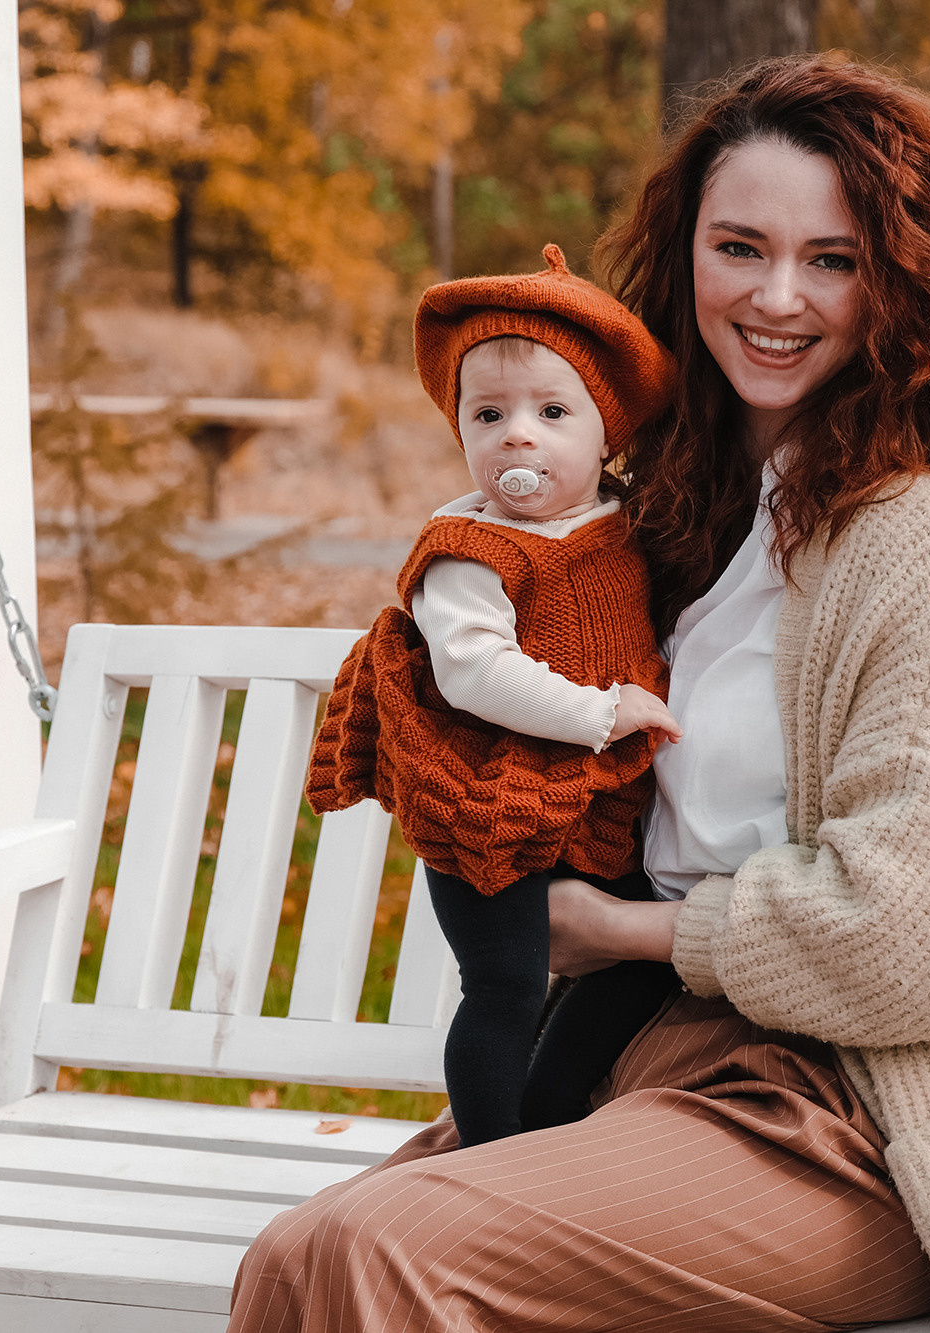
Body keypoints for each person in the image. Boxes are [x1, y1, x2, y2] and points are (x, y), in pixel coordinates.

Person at [235, 55, 930, 1333]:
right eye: (739, 246)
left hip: (853, 1116)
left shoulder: (910, 536)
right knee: (297, 1258)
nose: (777, 296)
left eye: (832, 258)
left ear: (903, 284)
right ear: (682, 260)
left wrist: (623, 934)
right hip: (633, 1056)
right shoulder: (673, 512)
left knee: (381, 1257)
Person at [308, 245, 686, 1148]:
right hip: (485, 805)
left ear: (607, 434)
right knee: (506, 983)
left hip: (588, 811)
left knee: (639, 969)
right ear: (463, 432)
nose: (518, 433)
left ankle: (547, 1115)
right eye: (490, 413)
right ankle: (483, 1152)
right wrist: (601, 713)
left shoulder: (624, 526)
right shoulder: (469, 550)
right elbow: (473, 670)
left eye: (552, 411)